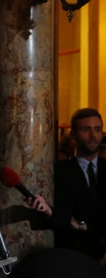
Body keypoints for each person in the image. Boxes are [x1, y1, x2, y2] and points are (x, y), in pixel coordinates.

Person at [26, 108, 105, 262]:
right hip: (73, 255)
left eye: (97, 129)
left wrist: (83, 225)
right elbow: (63, 212)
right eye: (85, 129)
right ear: (73, 135)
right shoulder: (60, 172)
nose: (93, 135)